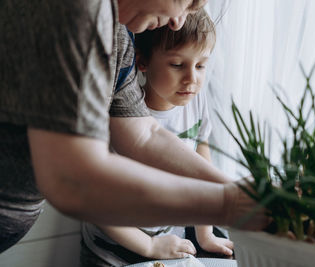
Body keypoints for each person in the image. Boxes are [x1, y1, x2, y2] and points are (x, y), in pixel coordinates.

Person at [0, 0, 269, 254]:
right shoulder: (80, 9)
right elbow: (72, 179)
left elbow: (144, 135)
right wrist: (228, 205)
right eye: (186, 3)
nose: (177, 22)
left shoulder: (118, 32)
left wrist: (242, 193)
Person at [81, 9, 234, 266]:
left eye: (201, 65)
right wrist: (149, 245)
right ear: (141, 61)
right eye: (177, 64)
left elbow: (201, 169)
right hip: (112, 248)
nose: (192, 79)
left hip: (168, 241)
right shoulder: (118, 118)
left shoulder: (196, 104)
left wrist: (205, 234)